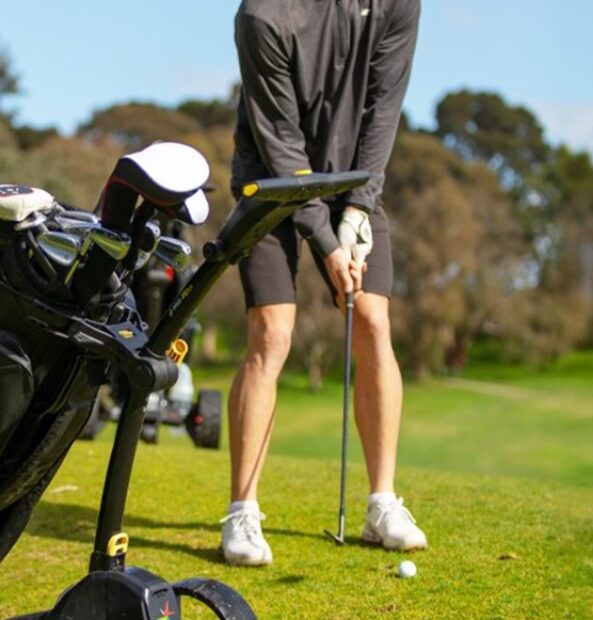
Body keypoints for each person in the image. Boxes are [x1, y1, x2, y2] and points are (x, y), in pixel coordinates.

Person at [221, 0, 424, 566]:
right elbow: (280, 139)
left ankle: (381, 503)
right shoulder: (263, 15)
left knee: (373, 320)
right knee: (272, 334)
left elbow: (384, 109)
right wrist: (328, 246)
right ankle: (242, 512)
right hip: (271, 179)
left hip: (353, 184)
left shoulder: (397, 4)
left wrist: (358, 209)